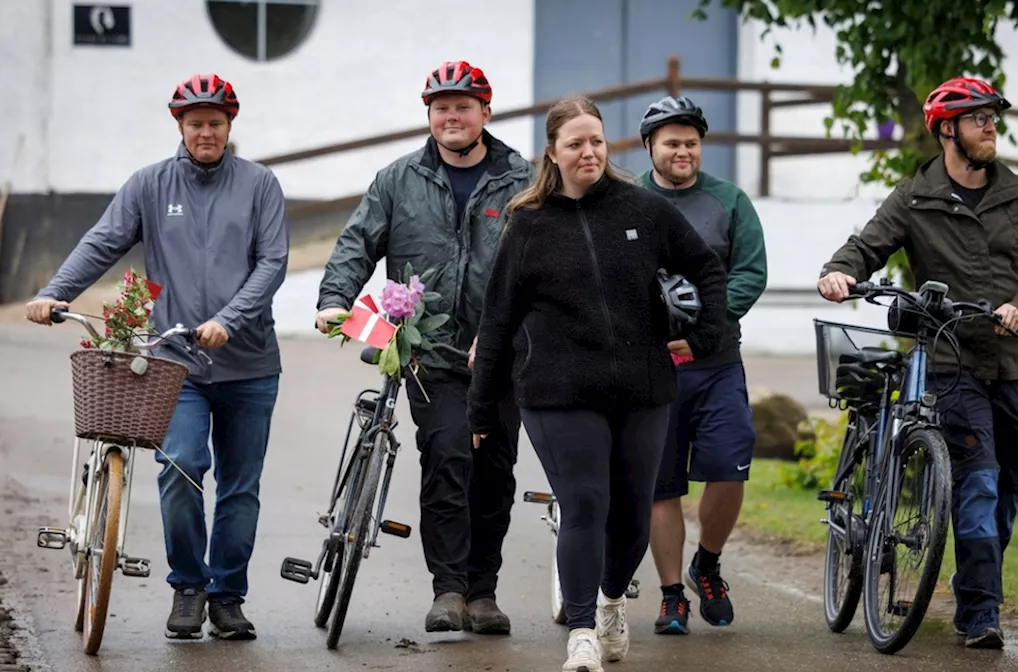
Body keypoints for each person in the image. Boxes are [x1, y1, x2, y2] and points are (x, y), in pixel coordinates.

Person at [467, 95, 728, 672]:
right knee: (586, 501)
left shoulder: (643, 208)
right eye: (575, 143)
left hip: (642, 386)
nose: (589, 152)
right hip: (556, 390)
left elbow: (706, 267)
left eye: (597, 141)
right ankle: (581, 630)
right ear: (553, 153)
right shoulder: (527, 223)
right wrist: (481, 408)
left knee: (633, 515)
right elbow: (498, 317)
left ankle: (611, 600)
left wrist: (707, 335)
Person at [25, 73, 290, 641]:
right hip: (175, 364)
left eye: (216, 123)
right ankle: (189, 588)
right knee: (181, 467)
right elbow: (102, 242)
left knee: (241, 487)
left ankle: (228, 597)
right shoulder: (149, 185)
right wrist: (56, 292)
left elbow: (272, 263)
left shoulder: (259, 184)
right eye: (196, 123)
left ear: (229, 125)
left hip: (250, 364)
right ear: (180, 125)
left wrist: (228, 319)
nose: (206, 133)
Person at [816, 76, 1018, 649]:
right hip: (951, 361)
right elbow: (866, 245)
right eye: (980, 118)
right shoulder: (913, 197)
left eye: (992, 118)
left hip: (1015, 363)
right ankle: (981, 615)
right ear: (948, 129)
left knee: (1010, 486)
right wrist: (839, 271)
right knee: (977, 487)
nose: (991, 127)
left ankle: (973, 581)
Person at [314, 60, 533, 635]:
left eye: (464, 106)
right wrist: (337, 298)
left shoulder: (522, 181)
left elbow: (540, 263)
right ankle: (449, 590)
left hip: (502, 356)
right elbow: (357, 241)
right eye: (442, 108)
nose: (452, 116)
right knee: (448, 457)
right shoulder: (399, 178)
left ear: (486, 112)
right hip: (426, 352)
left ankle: (483, 594)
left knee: (496, 470)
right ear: (430, 116)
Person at [635, 96, 768, 635]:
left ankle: (706, 564)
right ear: (650, 147)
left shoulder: (729, 200)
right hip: (650, 370)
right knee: (660, 485)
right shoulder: (626, 200)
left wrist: (701, 330)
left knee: (729, 467)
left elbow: (749, 274)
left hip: (716, 362)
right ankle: (672, 596)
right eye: (672, 143)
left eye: (691, 142)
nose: (683, 151)